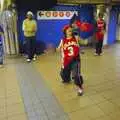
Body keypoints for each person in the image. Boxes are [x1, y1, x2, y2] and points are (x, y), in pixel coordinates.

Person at [57, 25, 84, 96]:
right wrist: (55, 49)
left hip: (75, 59)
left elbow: (83, 42)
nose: (70, 31)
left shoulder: (76, 37)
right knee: (63, 75)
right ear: (65, 32)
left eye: (71, 30)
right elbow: (58, 48)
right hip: (66, 60)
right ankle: (67, 79)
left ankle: (80, 88)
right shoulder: (63, 40)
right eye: (68, 30)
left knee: (76, 75)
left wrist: (83, 41)